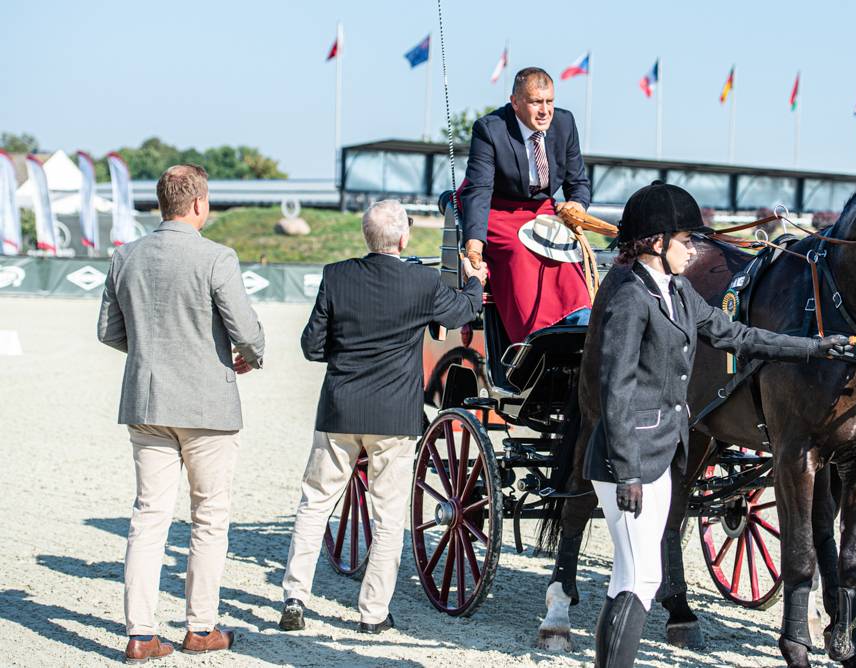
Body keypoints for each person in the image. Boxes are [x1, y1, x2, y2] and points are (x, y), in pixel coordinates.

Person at [581, 182, 850, 668]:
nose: (693, 250)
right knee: (639, 576)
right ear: (656, 242)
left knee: (634, 577)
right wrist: (627, 471)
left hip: (662, 453)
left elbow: (738, 335)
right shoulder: (629, 299)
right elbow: (614, 389)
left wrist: (814, 347)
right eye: (686, 240)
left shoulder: (680, 292)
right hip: (629, 459)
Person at [278, 200, 487, 634]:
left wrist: (348, 355)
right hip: (394, 417)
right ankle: (372, 614)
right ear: (404, 239)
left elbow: (312, 346)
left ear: (365, 235)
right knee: (388, 518)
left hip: (340, 409)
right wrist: (475, 280)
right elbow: (465, 311)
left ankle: (295, 597)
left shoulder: (336, 276)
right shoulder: (422, 282)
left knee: (314, 504)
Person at [97, 164, 265, 663]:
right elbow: (246, 332)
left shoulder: (125, 256)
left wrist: (151, 353)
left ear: (162, 203)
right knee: (208, 518)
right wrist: (251, 356)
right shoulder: (217, 257)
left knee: (148, 517)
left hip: (147, 402)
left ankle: (140, 633)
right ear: (197, 204)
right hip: (207, 406)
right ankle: (200, 627)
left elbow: (108, 331)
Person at [460, 66, 592, 342]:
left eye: (549, 101)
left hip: (542, 210)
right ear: (516, 102)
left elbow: (578, 182)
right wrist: (474, 248)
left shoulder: (565, 123)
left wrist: (577, 205)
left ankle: (580, 321)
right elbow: (479, 191)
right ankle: (533, 338)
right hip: (499, 210)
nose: (545, 110)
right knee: (518, 252)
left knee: (563, 253)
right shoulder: (489, 129)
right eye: (536, 102)